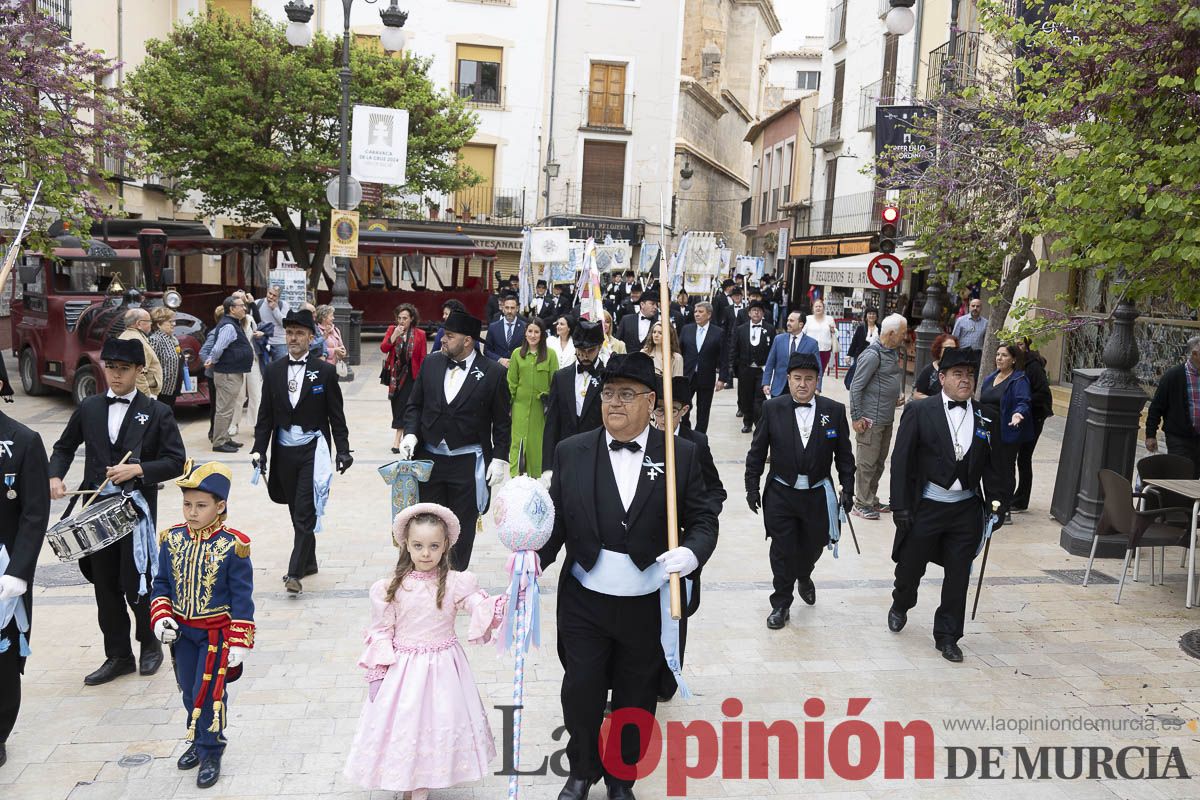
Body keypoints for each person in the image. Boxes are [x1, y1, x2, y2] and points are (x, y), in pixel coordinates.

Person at [538, 352, 719, 800]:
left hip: (645, 602)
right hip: (585, 599)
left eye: (626, 394)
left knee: (636, 698)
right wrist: (529, 560)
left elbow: (703, 519)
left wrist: (692, 554)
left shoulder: (680, 455)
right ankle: (581, 770)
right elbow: (556, 524)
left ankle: (622, 777)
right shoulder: (571, 452)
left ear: (651, 400)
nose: (614, 403)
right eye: (607, 393)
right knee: (581, 689)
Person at [48, 337, 187, 685]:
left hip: (135, 512)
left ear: (139, 370)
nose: (115, 375)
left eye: (123, 369)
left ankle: (149, 644)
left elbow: (176, 461)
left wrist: (139, 471)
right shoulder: (90, 407)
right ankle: (118, 655)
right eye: (110, 368)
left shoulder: (157, 412)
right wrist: (54, 476)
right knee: (105, 587)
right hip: (95, 510)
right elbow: (64, 447)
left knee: (137, 583)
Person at [344, 503, 506, 796]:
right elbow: (382, 630)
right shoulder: (391, 587)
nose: (426, 553)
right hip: (403, 672)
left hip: (444, 669)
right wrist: (378, 672)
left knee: (438, 722)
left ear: (446, 545)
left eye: (433, 546)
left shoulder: (457, 583)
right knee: (407, 724)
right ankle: (407, 779)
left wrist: (497, 605)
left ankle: (425, 779)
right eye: (418, 545)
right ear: (406, 544)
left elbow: (477, 606)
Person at [888, 347, 1009, 663]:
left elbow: (996, 467)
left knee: (958, 576)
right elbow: (901, 462)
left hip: (965, 511)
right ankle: (901, 602)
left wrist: (997, 505)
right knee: (910, 568)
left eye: (969, 375)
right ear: (941, 378)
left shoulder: (987, 416)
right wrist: (900, 506)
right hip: (927, 506)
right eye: (957, 374)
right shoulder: (919, 411)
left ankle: (948, 636)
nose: (965, 380)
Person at [150, 461, 254, 789]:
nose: (191, 512)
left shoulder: (233, 545)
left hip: (216, 635)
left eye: (200, 505)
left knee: (209, 694)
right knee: (187, 691)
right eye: (187, 504)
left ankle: (212, 750)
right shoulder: (171, 538)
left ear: (220, 506)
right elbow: (162, 582)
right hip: (182, 633)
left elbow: (242, 597)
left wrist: (239, 641)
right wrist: (162, 616)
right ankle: (197, 738)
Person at [745, 353, 855, 629]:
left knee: (813, 545)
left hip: (818, 494)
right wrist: (752, 486)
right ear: (788, 379)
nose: (802, 384)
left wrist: (849, 488)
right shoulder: (773, 409)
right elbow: (757, 452)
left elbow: (844, 456)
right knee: (782, 550)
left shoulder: (834, 410)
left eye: (808, 379)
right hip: (782, 492)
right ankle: (780, 603)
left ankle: (804, 573)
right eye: (797, 379)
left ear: (817, 381)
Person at [398, 311, 511, 569]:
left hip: (467, 462)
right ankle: (425, 576)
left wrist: (499, 458)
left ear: (468, 341)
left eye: (449, 336)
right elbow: (414, 405)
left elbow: (502, 422)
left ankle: (455, 580)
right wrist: (411, 433)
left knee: (461, 526)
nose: (443, 340)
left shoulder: (493, 373)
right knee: (428, 522)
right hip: (430, 460)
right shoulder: (431, 363)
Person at [252, 309, 352, 595]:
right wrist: (259, 450)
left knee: (306, 510)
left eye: (299, 333)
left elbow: (337, 417)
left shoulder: (325, 371)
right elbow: (265, 417)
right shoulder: (273, 371)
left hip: (313, 449)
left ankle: (294, 572)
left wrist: (343, 450)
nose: (294, 338)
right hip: (285, 451)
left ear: (311, 336)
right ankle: (309, 562)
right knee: (296, 510)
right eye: (290, 333)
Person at [651, 375, 724, 702]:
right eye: (660, 410)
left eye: (673, 411)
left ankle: (668, 680)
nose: (665, 418)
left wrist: (694, 522)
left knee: (675, 612)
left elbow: (715, 491)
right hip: (650, 543)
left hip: (682, 545)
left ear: (685, 411)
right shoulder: (645, 439)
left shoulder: (697, 444)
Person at [0, 355, 50, 769]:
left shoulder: (24, 441)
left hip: (4, 569)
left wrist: (18, 572)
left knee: (3, 657)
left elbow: (35, 514)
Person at [849, 313, 908, 520]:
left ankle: (870, 498)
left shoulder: (891, 352)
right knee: (867, 463)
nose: (905, 337)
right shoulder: (872, 355)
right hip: (870, 420)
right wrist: (856, 418)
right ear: (891, 334)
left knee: (879, 461)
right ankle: (861, 502)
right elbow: (856, 387)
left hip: (886, 417)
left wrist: (894, 399)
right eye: (902, 333)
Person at [541, 320, 606, 482]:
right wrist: (547, 466)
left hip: (597, 455)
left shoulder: (608, 378)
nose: (584, 355)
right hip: (566, 455)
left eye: (590, 351)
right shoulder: (561, 377)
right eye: (581, 350)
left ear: (599, 347)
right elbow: (551, 423)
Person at [979, 343, 1033, 522]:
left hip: (1005, 432)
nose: (999, 358)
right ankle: (989, 505)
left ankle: (1004, 508)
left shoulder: (1019, 379)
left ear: (1014, 359)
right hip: (985, 432)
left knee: (1004, 471)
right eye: (997, 354)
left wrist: (1018, 414)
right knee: (987, 470)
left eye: (1004, 355)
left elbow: (1023, 401)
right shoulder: (990, 378)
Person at [507, 317, 558, 478]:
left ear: (542, 335)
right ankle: (516, 479)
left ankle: (537, 479)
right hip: (519, 408)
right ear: (525, 333)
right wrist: (509, 407)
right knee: (517, 443)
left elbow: (555, 383)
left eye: (537, 332)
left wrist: (549, 402)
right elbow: (511, 383)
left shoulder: (550, 355)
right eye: (530, 331)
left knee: (538, 445)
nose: (533, 335)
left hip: (541, 410)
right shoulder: (517, 354)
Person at [1146, 335, 1200, 478]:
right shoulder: (1173, 376)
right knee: (1182, 475)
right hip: (1179, 437)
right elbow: (1156, 407)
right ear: (1195, 354)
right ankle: (1177, 501)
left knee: (1195, 479)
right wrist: (1150, 435)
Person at [205, 295, 252, 453]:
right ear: (232, 309)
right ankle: (219, 442)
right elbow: (218, 348)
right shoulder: (229, 326)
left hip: (232, 372)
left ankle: (225, 438)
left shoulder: (233, 324)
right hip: (227, 374)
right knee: (224, 409)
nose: (244, 308)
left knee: (229, 407)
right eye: (241, 306)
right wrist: (213, 360)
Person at [1013, 339, 1054, 512]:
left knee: (1024, 458)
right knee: (1019, 458)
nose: (1018, 348)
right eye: (1015, 344)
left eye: (1021, 344)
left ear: (1027, 346)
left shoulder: (1033, 367)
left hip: (1034, 417)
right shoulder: (1017, 364)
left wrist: (1024, 400)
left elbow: (1044, 394)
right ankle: (1017, 497)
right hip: (1022, 417)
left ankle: (1021, 500)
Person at [381, 304, 427, 454]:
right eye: (399, 318)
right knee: (397, 405)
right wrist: (394, 335)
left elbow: (422, 358)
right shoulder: (391, 330)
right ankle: (405, 437)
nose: (401, 321)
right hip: (396, 376)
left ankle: (399, 439)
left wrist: (422, 379)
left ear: (411, 319)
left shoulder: (420, 334)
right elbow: (384, 348)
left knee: (408, 406)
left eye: (405, 318)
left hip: (412, 376)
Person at [680, 301, 730, 434]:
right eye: (695, 311)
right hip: (687, 376)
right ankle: (686, 432)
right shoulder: (686, 329)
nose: (696, 314)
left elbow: (724, 357)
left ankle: (700, 436)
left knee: (703, 410)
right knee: (683, 407)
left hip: (706, 377)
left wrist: (722, 378)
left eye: (700, 312)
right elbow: (679, 352)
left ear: (709, 315)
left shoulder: (718, 332)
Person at [731, 300, 776, 433]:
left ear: (763, 313)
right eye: (753, 310)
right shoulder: (741, 329)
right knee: (746, 397)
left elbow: (773, 349)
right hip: (745, 369)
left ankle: (759, 424)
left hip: (762, 369)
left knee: (759, 399)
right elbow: (734, 348)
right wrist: (733, 367)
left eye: (759, 310)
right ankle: (747, 422)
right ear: (749, 313)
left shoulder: (770, 329)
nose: (756, 312)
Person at [230, 290, 266, 440]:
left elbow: (261, 326)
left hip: (253, 361)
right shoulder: (228, 321)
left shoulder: (250, 319)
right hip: (237, 363)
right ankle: (233, 424)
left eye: (242, 301)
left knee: (256, 394)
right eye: (237, 300)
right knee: (238, 395)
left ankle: (257, 424)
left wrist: (261, 335)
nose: (241, 305)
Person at [762, 311, 821, 398]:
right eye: (788, 320)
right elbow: (770, 363)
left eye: (792, 321)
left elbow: (818, 367)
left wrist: (817, 387)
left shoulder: (812, 343)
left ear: (801, 324)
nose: (788, 323)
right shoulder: (778, 340)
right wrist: (766, 383)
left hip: (800, 388)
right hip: (779, 388)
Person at [117, 307, 164, 398]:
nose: (151, 324)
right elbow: (138, 373)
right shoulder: (136, 341)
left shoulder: (128, 336)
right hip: (141, 394)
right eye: (149, 321)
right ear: (139, 323)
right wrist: (146, 396)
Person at [148, 307, 184, 409]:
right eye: (170, 321)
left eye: (174, 321)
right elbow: (150, 365)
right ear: (159, 324)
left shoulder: (172, 339)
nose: (174, 324)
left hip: (171, 388)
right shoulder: (155, 340)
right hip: (162, 391)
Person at [912, 334, 958, 400]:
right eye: (947, 348)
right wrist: (937, 401)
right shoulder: (928, 370)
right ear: (939, 349)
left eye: (954, 349)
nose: (951, 351)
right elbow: (917, 395)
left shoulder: (960, 369)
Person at [485, 293, 526, 365]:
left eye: (512, 308)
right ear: (503, 309)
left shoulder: (525, 327)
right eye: (507, 308)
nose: (509, 311)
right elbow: (487, 351)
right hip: (498, 369)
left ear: (517, 309)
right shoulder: (493, 327)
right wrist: (499, 359)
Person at [844, 306, 880, 390]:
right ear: (866, 316)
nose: (872, 316)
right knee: (858, 373)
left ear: (877, 316)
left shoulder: (880, 328)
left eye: (874, 314)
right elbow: (854, 342)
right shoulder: (860, 328)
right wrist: (849, 355)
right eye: (870, 314)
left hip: (876, 355)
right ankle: (855, 387)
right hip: (861, 355)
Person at [801, 298, 838, 377]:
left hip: (824, 350)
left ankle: (818, 389)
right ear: (813, 308)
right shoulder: (808, 318)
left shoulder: (830, 319)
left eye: (820, 306)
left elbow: (836, 334)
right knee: (809, 373)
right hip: (809, 351)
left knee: (820, 373)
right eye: (816, 306)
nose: (818, 308)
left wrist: (833, 330)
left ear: (823, 308)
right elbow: (802, 333)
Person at [255, 285, 290, 362]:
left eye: (274, 295)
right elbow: (253, 322)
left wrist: (275, 309)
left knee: (279, 370)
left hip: (280, 343)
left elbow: (285, 324)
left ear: (279, 297)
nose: (271, 297)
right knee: (264, 370)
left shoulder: (284, 305)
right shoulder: (258, 303)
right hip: (262, 342)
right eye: (269, 293)